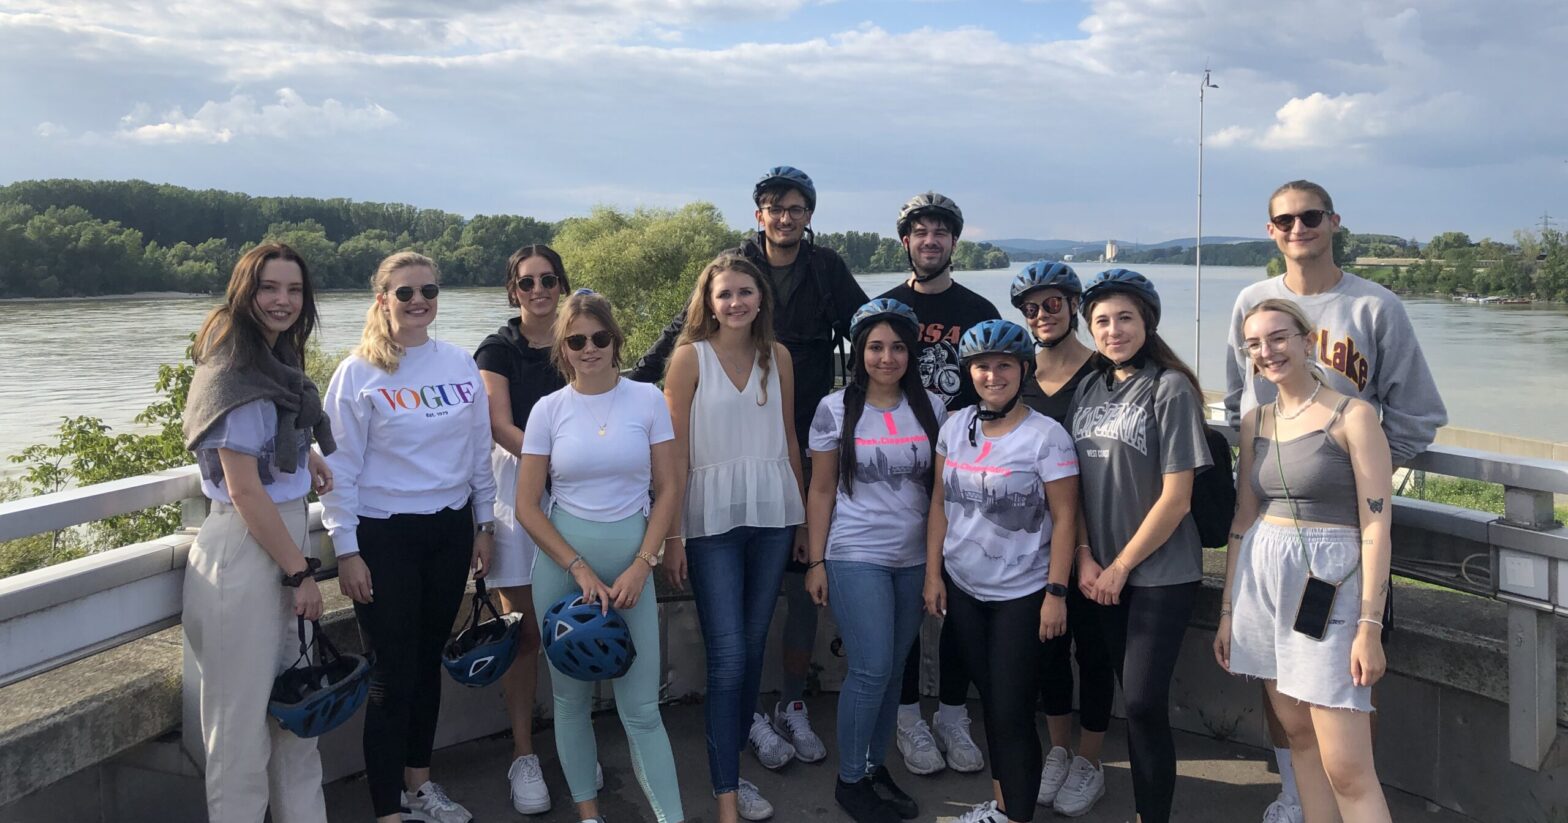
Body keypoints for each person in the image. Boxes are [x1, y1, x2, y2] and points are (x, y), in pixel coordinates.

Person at [1225, 180, 1446, 823]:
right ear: (1270, 230)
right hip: (1272, 536)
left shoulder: (1375, 307)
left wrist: (1354, 467)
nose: (1298, 229)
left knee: (1345, 726)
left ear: (1333, 222)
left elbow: (1418, 415)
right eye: (1284, 220)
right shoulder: (1251, 302)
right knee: (1293, 718)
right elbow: (1242, 402)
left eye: (1310, 217)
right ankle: (1297, 800)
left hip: (1341, 547)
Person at [321, 251, 497, 823]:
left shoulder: (458, 364)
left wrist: (484, 523)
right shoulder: (358, 373)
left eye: (428, 290)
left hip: (448, 531)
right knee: (393, 674)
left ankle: (420, 786)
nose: (419, 301)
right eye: (405, 293)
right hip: (383, 536)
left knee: (426, 664)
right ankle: (385, 809)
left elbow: (477, 452)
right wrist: (345, 547)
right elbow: (338, 468)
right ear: (382, 300)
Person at [1215, 298, 1395, 823]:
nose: (1267, 352)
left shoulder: (1353, 416)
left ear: (1307, 340)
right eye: (1254, 344)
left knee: (1347, 766)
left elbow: (1377, 524)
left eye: (1278, 337)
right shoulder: (1256, 420)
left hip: (1330, 585)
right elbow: (1242, 519)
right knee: (1300, 741)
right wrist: (1229, 611)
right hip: (1264, 585)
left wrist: (1369, 625)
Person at [515, 289, 686, 823]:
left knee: (642, 710)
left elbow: (669, 487)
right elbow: (527, 504)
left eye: (600, 338)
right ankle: (590, 816)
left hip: (633, 567)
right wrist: (578, 567)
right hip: (566, 573)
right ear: (563, 348)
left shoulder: (647, 400)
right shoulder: (548, 410)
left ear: (616, 340)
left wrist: (644, 562)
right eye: (577, 340)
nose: (589, 348)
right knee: (570, 703)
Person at [181, 242, 334, 823]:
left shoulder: (277, 365)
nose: (283, 301)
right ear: (245, 292)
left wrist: (307, 453)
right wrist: (301, 571)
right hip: (246, 556)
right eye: (269, 288)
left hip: (279, 538)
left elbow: (270, 455)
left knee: (299, 721)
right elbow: (243, 491)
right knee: (239, 734)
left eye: (294, 290)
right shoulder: (234, 371)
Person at [662, 254, 807, 822]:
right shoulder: (687, 359)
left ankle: (740, 758)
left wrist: (800, 520)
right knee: (727, 657)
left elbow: (790, 437)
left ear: (761, 299)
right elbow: (671, 453)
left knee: (750, 646)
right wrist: (672, 534)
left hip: (772, 512)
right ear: (709, 301)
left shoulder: (780, 357)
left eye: (746, 292)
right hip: (710, 519)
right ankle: (728, 791)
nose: (737, 302)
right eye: (725, 294)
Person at [923, 318, 1080, 823]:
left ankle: (1016, 816)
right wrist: (933, 574)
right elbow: (939, 506)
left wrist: (1056, 592)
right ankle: (1003, 805)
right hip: (965, 588)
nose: (992, 375)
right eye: (982, 367)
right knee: (991, 703)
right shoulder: (955, 426)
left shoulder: (1046, 438)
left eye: (1004, 366)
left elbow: (1065, 519)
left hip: (1023, 595)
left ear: (1023, 370)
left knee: (1012, 712)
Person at [1070, 269, 1212, 823]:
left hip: (1159, 571)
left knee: (1146, 702)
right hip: (1099, 570)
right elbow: (1074, 486)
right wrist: (1086, 556)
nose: (1113, 330)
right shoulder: (1088, 386)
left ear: (1147, 321)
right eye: (1101, 321)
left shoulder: (1169, 387)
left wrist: (1122, 565)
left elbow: (1178, 497)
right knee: (1117, 689)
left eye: (1125, 317)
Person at [802, 299, 945, 823]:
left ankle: (872, 764)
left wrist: (934, 568)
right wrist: (816, 561)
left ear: (911, 353)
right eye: (876, 347)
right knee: (871, 667)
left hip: (912, 559)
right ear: (860, 352)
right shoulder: (835, 409)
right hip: (855, 552)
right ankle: (850, 781)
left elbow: (941, 496)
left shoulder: (933, 406)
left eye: (898, 347)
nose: (887, 358)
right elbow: (820, 490)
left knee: (893, 671)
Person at [876, 192, 998, 777]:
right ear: (906, 242)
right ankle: (905, 718)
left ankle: (951, 713)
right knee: (904, 605)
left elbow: (997, 392)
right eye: (919, 232)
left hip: (961, 474)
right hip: (895, 477)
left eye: (940, 233)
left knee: (958, 603)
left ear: (954, 242)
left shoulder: (979, 309)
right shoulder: (885, 306)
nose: (929, 241)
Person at [1009, 262, 1112, 817]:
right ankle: (1058, 750)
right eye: (1031, 307)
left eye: (1052, 304)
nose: (1042, 315)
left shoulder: (1103, 370)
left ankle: (1090, 760)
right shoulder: (1018, 373)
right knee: (1048, 652)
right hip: (1037, 541)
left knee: (1093, 651)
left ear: (1074, 306)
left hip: (1097, 537)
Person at [473, 244, 569, 814]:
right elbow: (499, 424)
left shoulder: (579, 336)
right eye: (527, 282)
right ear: (514, 291)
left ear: (561, 285)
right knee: (527, 634)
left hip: (581, 491)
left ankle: (572, 742)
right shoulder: (498, 348)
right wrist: (552, 464)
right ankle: (523, 753)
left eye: (548, 280)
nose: (538, 290)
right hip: (518, 489)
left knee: (574, 623)